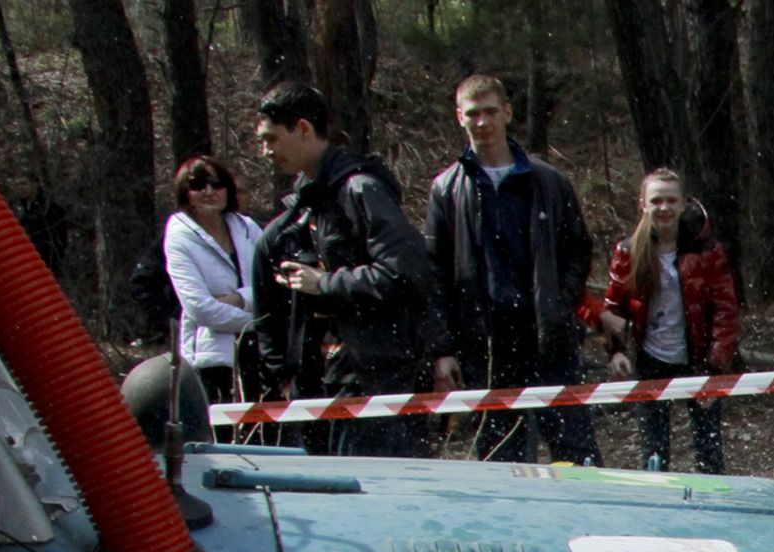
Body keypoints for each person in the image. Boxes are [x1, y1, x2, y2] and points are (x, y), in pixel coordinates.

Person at [251, 81, 442, 457]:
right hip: (322, 385)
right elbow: (267, 311)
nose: (265, 151)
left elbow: (406, 275)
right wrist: (286, 375)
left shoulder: (361, 190)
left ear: (303, 128)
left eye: (271, 139)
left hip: (377, 380)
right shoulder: (299, 210)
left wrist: (325, 284)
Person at [424, 74, 600, 466]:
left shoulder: (549, 181)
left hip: (548, 338)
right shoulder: (446, 189)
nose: (482, 122)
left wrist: (560, 302)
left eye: (490, 112)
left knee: (576, 454)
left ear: (507, 112)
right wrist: (442, 349)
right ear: (459, 118)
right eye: (473, 114)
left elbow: (578, 250)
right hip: (485, 346)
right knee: (502, 460)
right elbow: (434, 273)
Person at [602, 169, 739, 474]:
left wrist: (715, 368)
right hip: (651, 358)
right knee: (653, 450)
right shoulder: (627, 251)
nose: (663, 208)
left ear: (682, 204)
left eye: (670, 200)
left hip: (699, 358)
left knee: (709, 449)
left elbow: (725, 310)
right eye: (656, 200)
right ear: (643, 204)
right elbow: (613, 306)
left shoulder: (707, 249)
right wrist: (616, 351)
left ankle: (713, 510)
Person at [162, 155, 263, 409]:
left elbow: (272, 286)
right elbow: (200, 309)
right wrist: (258, 323)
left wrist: (240, 298)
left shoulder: (248, 227)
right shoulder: (178, 237)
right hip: (211, 359)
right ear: (186, 193)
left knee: (266, 437)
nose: (209, 191)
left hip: (261, 355)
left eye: (217, 184)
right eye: (198, 185)